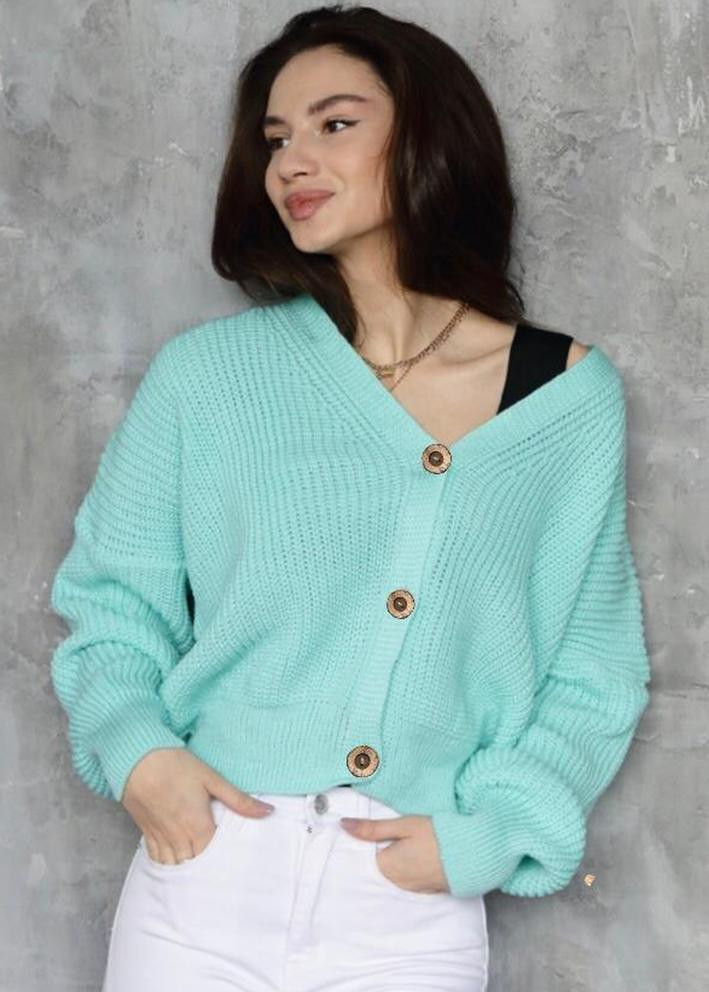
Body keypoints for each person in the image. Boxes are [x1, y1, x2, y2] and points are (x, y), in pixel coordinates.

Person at [48, 6, 652, 991]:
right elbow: (114, 603)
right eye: (275, 138)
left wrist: (489, 831)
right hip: (204, 873)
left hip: (404, 903)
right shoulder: (208, 376)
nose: (292, 160)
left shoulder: (563, 398)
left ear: (429, 135)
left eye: (334, 123)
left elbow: (592, 670)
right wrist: (140, 755)